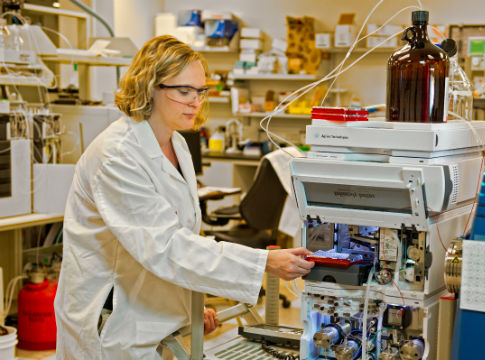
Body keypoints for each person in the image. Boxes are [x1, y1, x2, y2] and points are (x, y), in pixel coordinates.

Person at [54, 35, 315, 359]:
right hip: (115, 317)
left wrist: (192, 301)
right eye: (183, 91)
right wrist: (263, 261)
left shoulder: (176, 144)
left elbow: (185, 233)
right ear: (148, 86)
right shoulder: (116, 155)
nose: (196, 101)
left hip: (155, 312)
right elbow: (165, 246)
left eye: (200, 91)